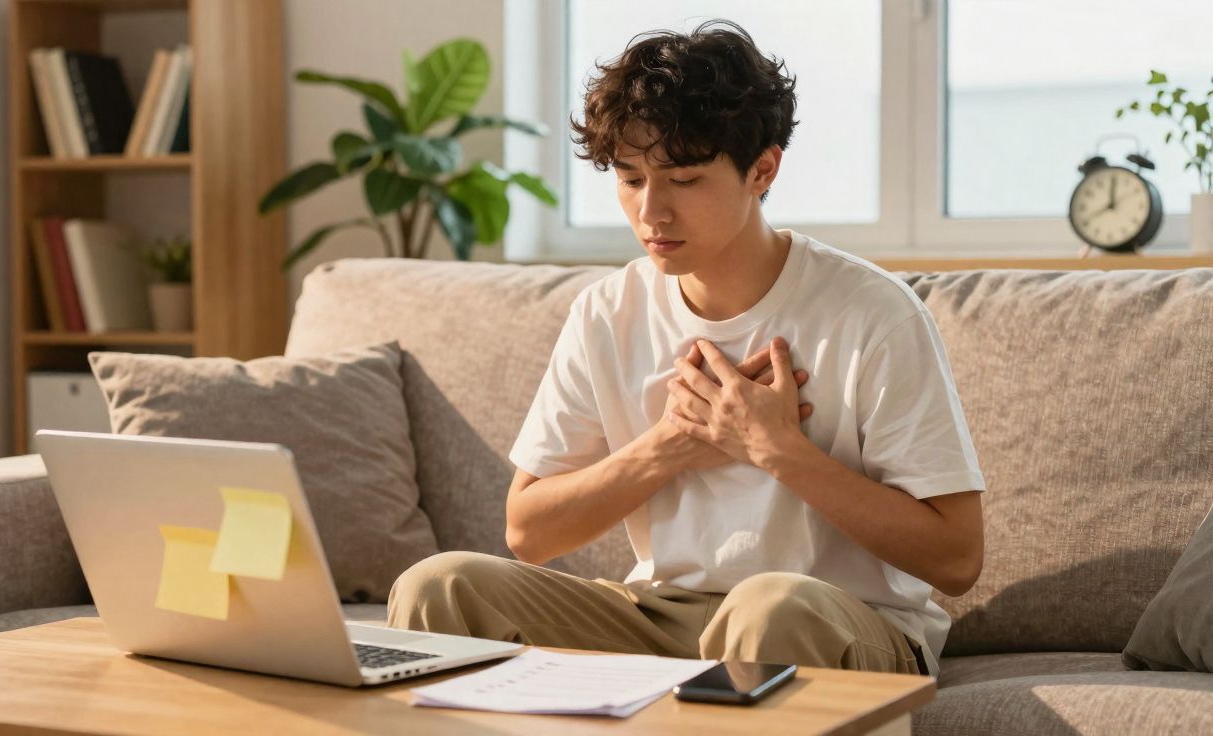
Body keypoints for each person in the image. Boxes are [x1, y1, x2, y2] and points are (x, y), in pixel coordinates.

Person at [387, 18, 985, 678]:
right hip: (661, 614)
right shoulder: (607, 312)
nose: (652, 213)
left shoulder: (873, 313)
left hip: (841, 618)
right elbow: (529, 531)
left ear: (763, 170)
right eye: (631, 179)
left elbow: (956, 559)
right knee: (439, 588)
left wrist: (776, 450)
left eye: (685, 179)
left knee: (768, 609)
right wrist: (669, 443)